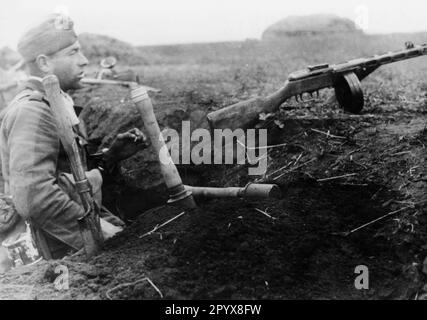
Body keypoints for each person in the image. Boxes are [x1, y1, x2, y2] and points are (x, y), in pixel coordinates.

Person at [0, 13, 148, 270]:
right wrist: (97, 229)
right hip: (54, 251)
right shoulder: (33, 112)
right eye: (73, 52)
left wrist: (110, 157)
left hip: (69, 235)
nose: (84, 61)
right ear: (44, 63)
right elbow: (34, 195)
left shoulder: (54, 104)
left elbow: (67, 174)